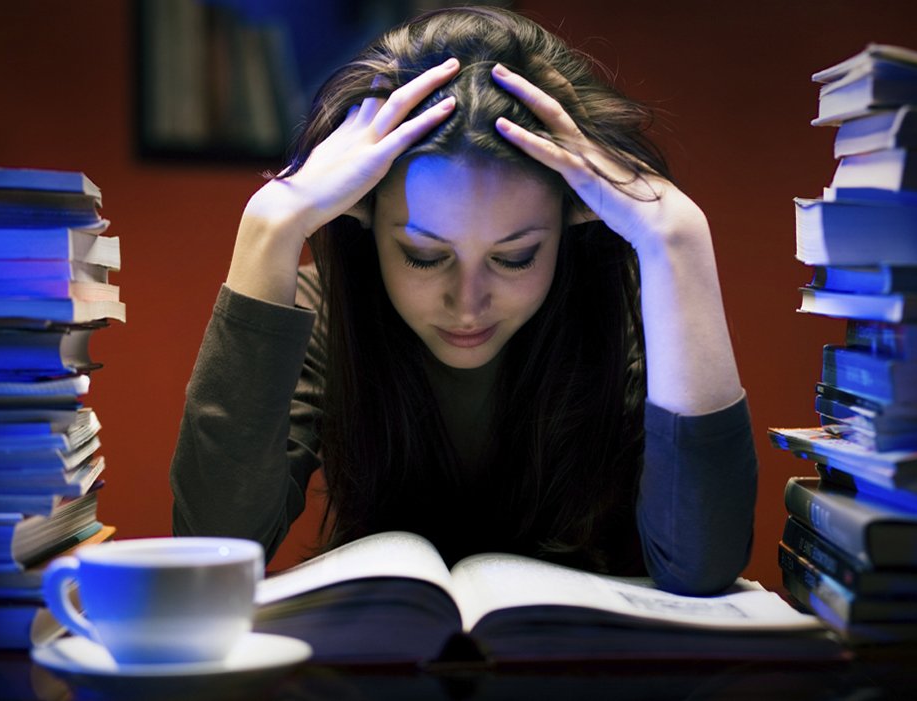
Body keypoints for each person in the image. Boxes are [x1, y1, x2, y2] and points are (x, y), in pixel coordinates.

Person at [170, 5, 757, 595]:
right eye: (425, 257)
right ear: (365, 220)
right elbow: (212, 549)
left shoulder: (631, 315)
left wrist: (679, 237)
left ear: (573, 219)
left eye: (515, 257)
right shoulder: (325, 315)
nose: (468, 303)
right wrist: (269, 224)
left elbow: (702, 564)